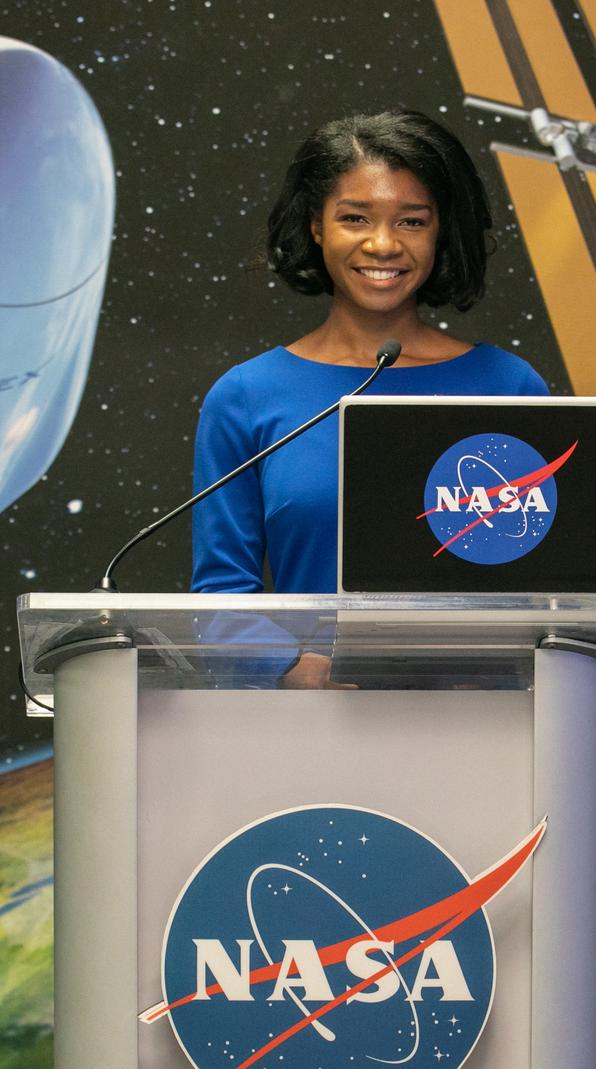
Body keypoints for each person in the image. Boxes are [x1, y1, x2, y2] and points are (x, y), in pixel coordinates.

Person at [191, 108, 548, 685]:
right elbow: (220, 596)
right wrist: (287, 669)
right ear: (316, 226)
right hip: (314, 732)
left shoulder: (510, 386)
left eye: (411, 221)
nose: (382, 245)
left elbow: (543, 584)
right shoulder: (246, 397)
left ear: (440, 231)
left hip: (481, 727)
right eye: (355, 217)